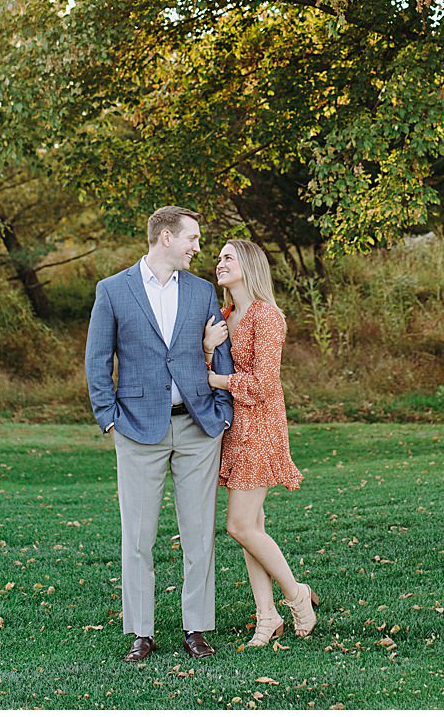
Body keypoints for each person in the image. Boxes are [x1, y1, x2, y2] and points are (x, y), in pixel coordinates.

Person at [84, 205, 234, 662]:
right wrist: (109, 418)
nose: (198, 247)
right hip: (136, 429)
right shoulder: (112, 290)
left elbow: (220, 352)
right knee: (138, 537)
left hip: (198, 428)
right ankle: (142, 633)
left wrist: (222, 412)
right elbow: (97, 360)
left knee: (199, 534)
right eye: (192, 238)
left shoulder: (202, 291)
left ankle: (196, 629)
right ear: (165, 237)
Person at [205, 238, 316, 645]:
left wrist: (219, 380)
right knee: (252, 526)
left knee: (238, 525)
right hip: (234, 429)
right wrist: (207, 347)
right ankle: (266, 617)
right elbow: (205, 367)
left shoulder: (267, 317)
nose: (219, 263)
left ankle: (297, 595)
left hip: (261, 429)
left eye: (228, 257)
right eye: (218, 258)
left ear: (248, 265)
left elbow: (265, 384)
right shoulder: (223, 316)